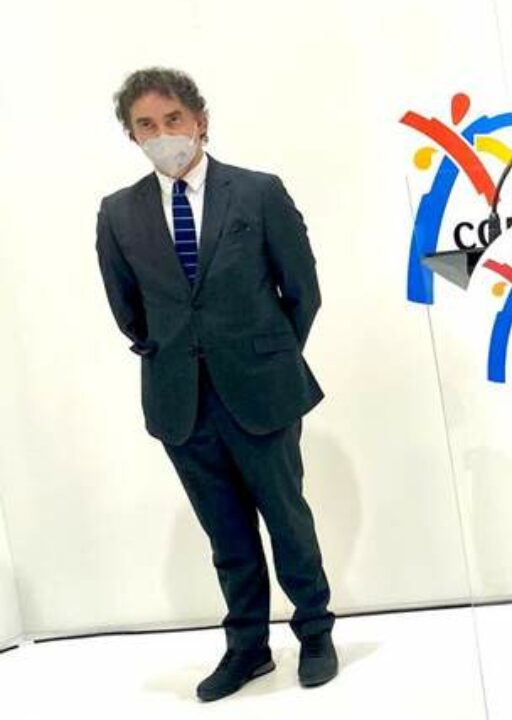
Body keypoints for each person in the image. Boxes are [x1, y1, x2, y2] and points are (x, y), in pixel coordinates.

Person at [95, 67, 338, 702]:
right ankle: (248, 647)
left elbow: (302, 290)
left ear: (200, 120)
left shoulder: (257, 193)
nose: (162, 134)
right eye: (146, 125)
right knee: (225, 533)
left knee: (287, 518)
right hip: (181, 399)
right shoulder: (119, 213)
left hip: (262, 388)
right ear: (132, 136)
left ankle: (315, 631)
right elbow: (127, 308)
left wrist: (265, 354)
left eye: (173, 119)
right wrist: (179, 355)